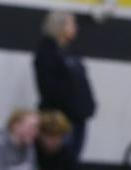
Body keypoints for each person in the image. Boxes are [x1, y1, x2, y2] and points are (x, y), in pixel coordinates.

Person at [34, 11, 96, 161]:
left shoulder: (71, 51)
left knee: (73, 157)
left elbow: (82, 82)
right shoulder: (46, 52)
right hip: (60, 117)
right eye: (72, 24)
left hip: (78, 115)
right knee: (60, 158)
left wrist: (88, 106)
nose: (76, 28)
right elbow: (49, 87)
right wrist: (64, 108)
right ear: (59, 26)